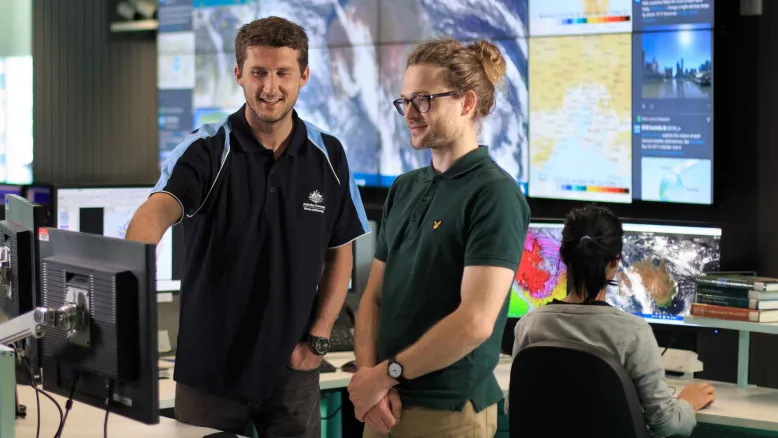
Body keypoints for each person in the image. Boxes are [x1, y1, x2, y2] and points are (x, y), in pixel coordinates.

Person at [125, 16, 370, 437]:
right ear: (239, 74)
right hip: (209, 375)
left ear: (303, 76)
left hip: (292, 372)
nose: (269, 87)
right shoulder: (207, 148)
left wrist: (318, 341)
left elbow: (341, 251)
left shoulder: (329, 154)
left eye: (282, 73)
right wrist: (128, 279)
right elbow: (159, 209)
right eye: (258, 72)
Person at [348, 37, 530, 438]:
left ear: (466, 104)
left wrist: (386, 373)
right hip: (383, 406)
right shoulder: (405, 187)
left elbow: (476, 321)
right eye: (405, 101)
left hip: (448, 412)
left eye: (424, 100)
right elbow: (373, 299)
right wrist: (369, 382)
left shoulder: (494, 194)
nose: (410, 113)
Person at [511, 205, 715, 437]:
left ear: (563, 256)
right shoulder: (634, 333)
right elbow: (667, 425)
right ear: (615, 261)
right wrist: (687, 403)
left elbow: (515, 409)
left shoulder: (528, 326)